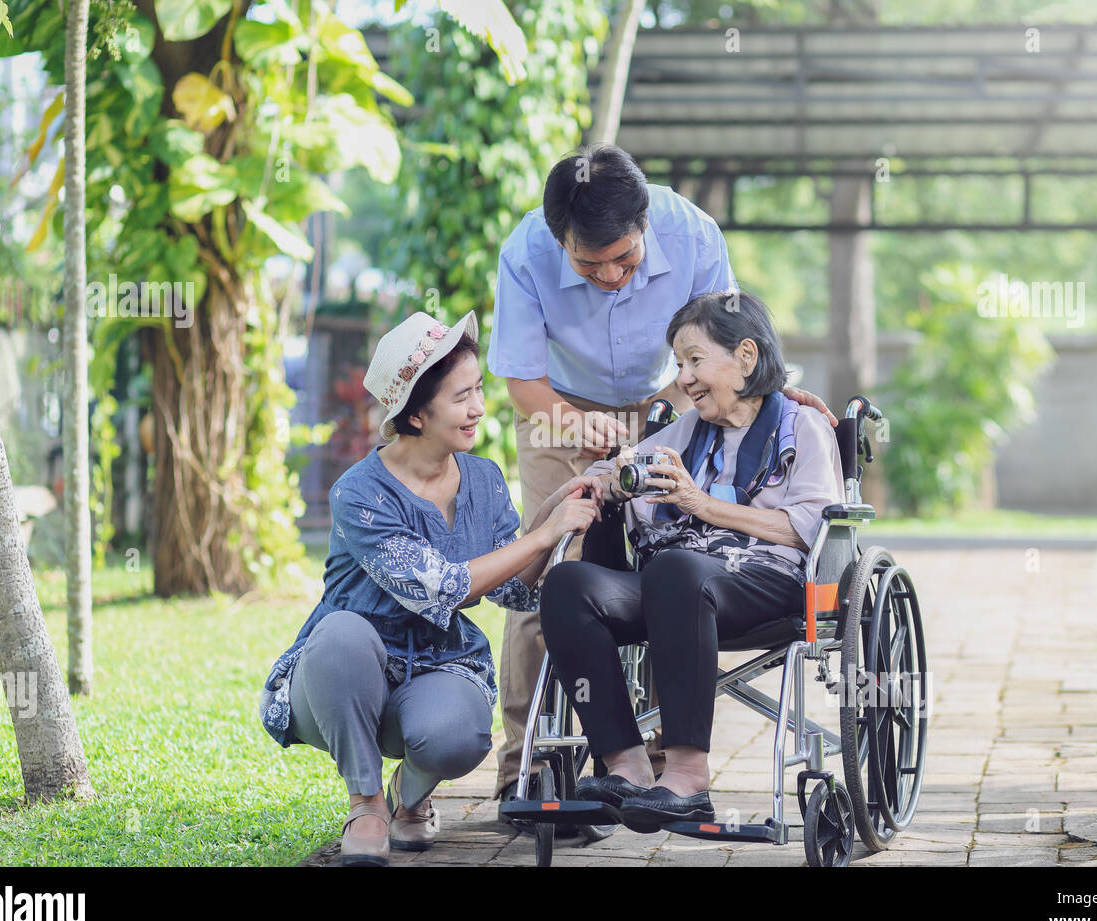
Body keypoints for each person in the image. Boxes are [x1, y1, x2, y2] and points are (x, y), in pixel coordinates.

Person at [488, 143, 837, 807]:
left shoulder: (694, 236)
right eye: (589, 265)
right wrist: (581, 455)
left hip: (671, 397)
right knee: (555, 571)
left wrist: (762, 391)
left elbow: (726, 340)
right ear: (560, 242)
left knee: (670, 566)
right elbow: (522, 380)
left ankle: (662, 759)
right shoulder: (525, 253)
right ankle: (530, 767)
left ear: (645, 225)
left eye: (624, 259)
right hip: (556, 402)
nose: (610, 277)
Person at [259, 311, 603, 866]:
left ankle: (407, 795)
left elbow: (513, 591)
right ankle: (366, 804)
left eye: (479, 389)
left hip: (436, 665)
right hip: (340, 678)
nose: (479, 408)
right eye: (462, 397)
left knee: (458, 735)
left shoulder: (484, 479)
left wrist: (555, 513)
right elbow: (442, 588)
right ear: (416, 414)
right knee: (344, 634)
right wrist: (542, 534)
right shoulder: (359, 493)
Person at [538, 290, 845, 831]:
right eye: (678, 364)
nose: (682, 378)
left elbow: (812, 528)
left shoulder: (804, 427)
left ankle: (686, 776)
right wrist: (613, 484)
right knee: (569, 584)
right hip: (675, 585)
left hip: (767, 581)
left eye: (694, 360)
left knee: (676, 569)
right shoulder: (685, 430)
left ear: (745, 356)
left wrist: (702, 505)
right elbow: (623, 490)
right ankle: (626, 765)